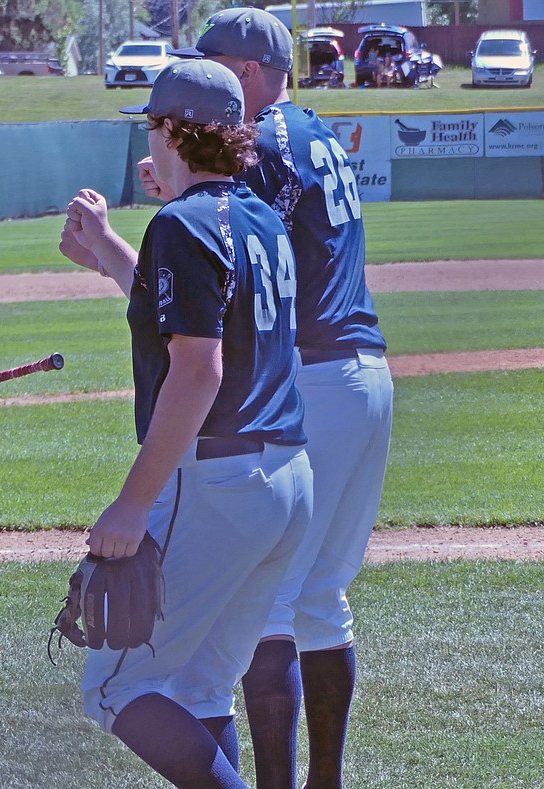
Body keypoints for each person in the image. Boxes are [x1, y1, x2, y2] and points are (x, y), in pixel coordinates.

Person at [59, 59, 312, 789]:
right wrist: (111, 251)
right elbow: (207, 317)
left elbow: (199, 370)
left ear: (172, 129)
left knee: (115, 687)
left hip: (221, 478)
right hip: (288, 477)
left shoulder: (180, 223)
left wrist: (133, 502)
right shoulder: (263, 216)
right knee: (199, 688)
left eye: (153, 123)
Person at [172, 9, 394, 788]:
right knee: (320, 599)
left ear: (256, 70)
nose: (206, 76)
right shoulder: (314, 132)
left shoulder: (262, 139)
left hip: (313, 377)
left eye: (217, 63)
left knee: (269, 602)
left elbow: (219, 271)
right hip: (365, 373)